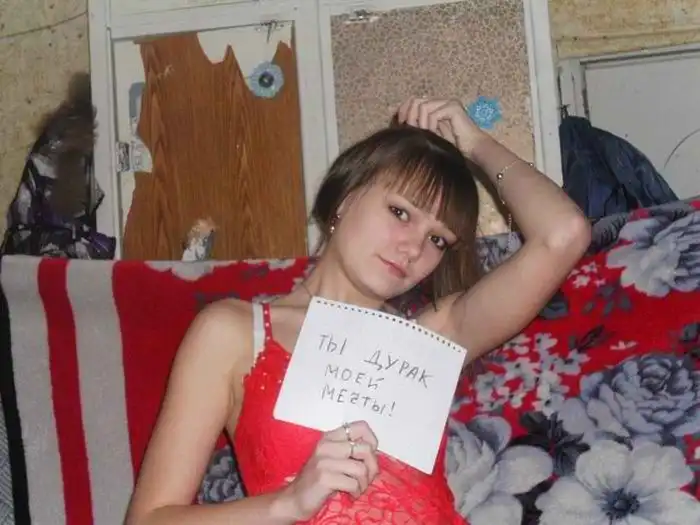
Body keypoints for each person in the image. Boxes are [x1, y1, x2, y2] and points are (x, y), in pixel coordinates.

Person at [124, 97, 591, 524]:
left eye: (437, 239)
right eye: (401, 212)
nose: (413, 248)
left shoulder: (432, 337)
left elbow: (564, 234)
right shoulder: (234, 333)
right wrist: (289, 503)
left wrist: (474, 144)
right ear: (346, 199)